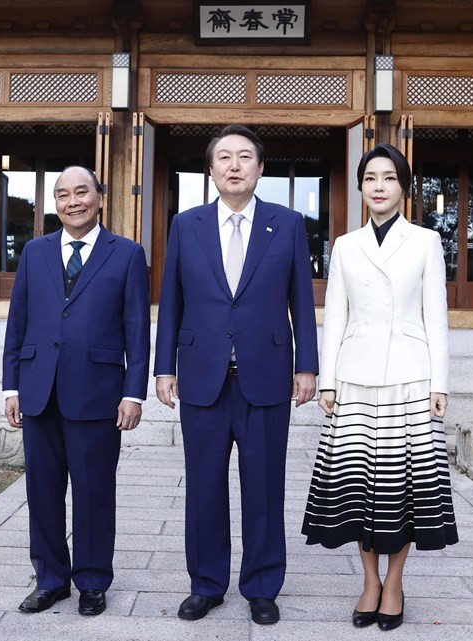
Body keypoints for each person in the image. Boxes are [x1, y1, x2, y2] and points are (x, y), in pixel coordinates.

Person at [154, 124, 318, 625]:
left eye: (245, 156)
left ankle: (262, 586)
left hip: (265, 376)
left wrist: (307, 365)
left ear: (260, 168)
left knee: (264, 486)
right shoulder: (186, 225)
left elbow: (302, 301)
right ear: (210, 170)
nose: (234, 165)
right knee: (204, 487)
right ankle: (206, 584)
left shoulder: (287, 224)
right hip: (202, 376)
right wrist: (163, 369)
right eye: (224, 157)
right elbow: (171, 300)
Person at [301, 144, 458, 631]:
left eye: (389, 178)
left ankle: (394, 583)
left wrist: (439, 383)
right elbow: (335, 317)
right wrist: (328, 381)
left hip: (410, 376)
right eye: (370, 178)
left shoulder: (426, 241)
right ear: (360, 186)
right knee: (358, 488)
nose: (379, 186)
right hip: (355, 376)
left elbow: (436, 316)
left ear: (403, 187)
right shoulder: (346, 245)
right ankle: (369, 582)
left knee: (401, 488)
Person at [2, 166, 150, 617]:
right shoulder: (35, 252)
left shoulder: (127, 254)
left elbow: (137, 330)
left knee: (94, 493)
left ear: (100, 197)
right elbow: (18, 323)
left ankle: (91, 581)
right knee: (43, 492)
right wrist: (11, 386)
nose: (73, 202)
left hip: (98, 393)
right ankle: (50, 580)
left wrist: (133, 393)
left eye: (81, 192)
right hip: (39, 390)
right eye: (63, 195)